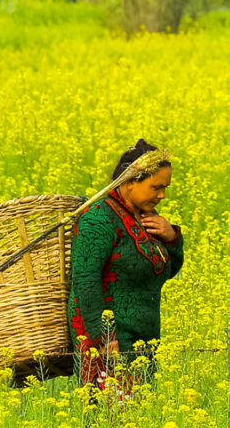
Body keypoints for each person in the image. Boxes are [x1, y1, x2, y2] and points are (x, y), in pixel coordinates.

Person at [67, 139, 185, 402]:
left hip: (142, 340)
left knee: (137, 418)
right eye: (156, 187)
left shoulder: (144, 218)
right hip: (111, 343)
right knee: (112, 421)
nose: (162, 195)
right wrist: (105, 336)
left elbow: (163, 270)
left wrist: (171, 238)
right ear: (130, 181)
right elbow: (85, 280)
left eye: (165, 188)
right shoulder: (99, 219)